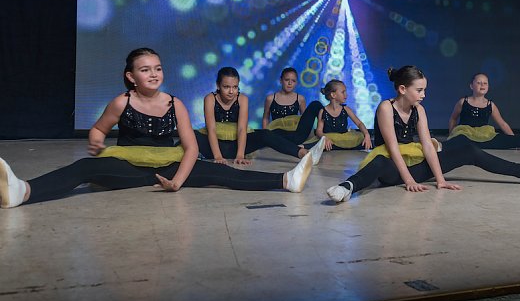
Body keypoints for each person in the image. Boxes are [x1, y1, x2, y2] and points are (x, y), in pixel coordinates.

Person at [0, 48, 317, 208]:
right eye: (145, 69)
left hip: (169, 166)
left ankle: (286, 180)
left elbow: (190, 148)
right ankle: (23, 191)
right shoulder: (121, 102)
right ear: (131, 76)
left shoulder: (175, 104)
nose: (153, 74)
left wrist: (177, 181)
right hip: (128, 166)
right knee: (83, 168)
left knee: (222, 174)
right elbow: (98, 129)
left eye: (158, 68)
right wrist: (96, 141)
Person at [326, 66, 520, 203]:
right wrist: (409, 181)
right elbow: (393, 148)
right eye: (419, 90)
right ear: (402, 89)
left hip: (417, 165)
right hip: (393, 168)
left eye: (425, 90)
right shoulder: (386, 108)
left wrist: (440, 180)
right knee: (378, 162)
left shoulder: (419, 110)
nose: (423, 95)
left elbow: (428, 146)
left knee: (468, 150)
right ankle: (347, 186)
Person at [196, 67, 324, 164]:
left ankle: (302, 153)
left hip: (236, 144)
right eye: (226, 87)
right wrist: (218, 156)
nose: (231, 91)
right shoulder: (210, 98)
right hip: (215, 145)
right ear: (218, 85)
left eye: (235, 87)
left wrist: (240, 155)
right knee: (193, 134)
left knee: (265, 134)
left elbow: (241, 129)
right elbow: (211, 129)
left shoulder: (242, 99)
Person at [262, 67, 324, 146]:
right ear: (281, 80)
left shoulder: (300, 98)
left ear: (296, 83)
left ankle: (324, 133)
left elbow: (305, 121)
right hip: (277, 134)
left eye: (293, 81)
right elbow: (265, 118)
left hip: (296, 134)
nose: (290, 83)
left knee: (316, 104)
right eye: (287, 80)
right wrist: (265, 136)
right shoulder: (270, 98)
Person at [315, 80, 372, 151]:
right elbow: (319, 131)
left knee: (363, 141)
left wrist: (367, 134)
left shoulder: (346, 109)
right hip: (329, 139)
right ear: (333, 95)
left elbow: (359, 123)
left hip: (344, 139)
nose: (346, 95)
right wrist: (324, 138)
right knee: (318, 144)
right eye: (343, 92)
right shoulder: (323, 111)